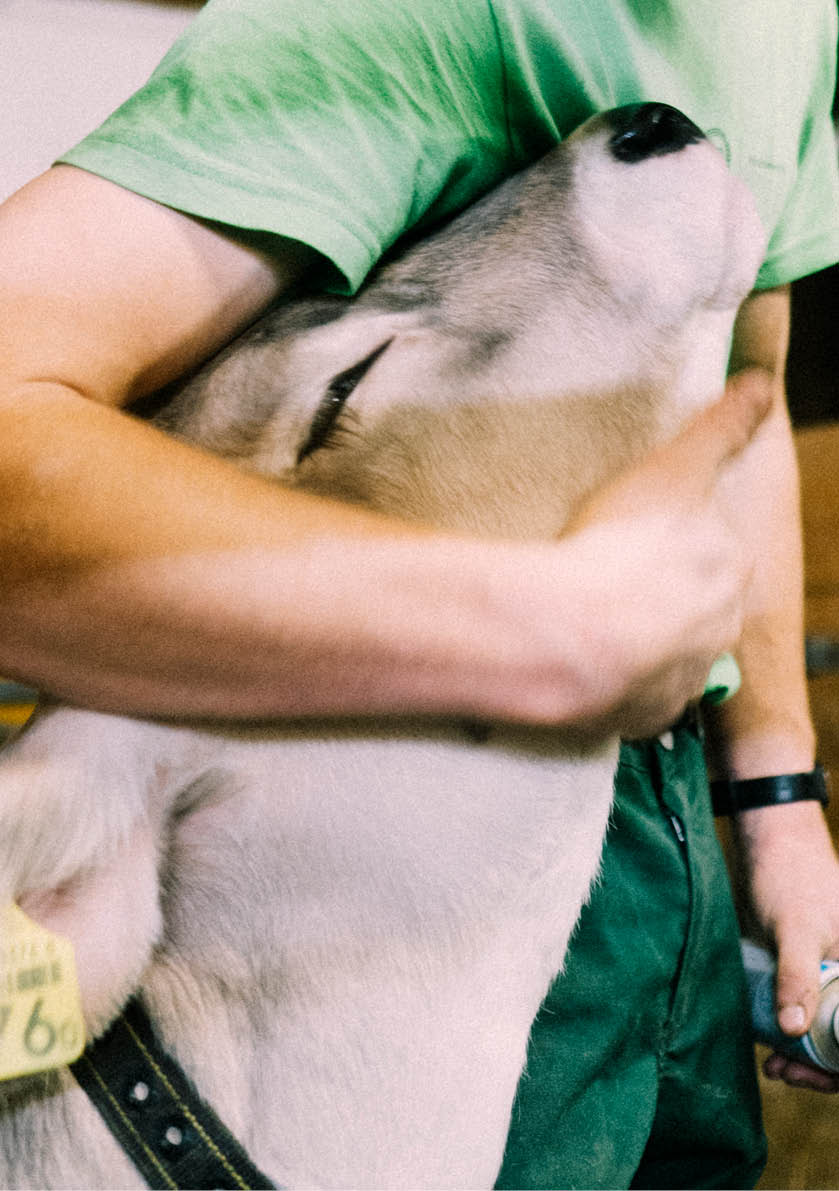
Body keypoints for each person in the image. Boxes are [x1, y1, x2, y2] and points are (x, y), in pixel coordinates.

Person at [3, 1, 839, 1186]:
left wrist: (774, 793)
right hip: (413, 782)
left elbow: (737, 394)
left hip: (664, 808)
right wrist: (550, 635)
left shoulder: (790, 26)